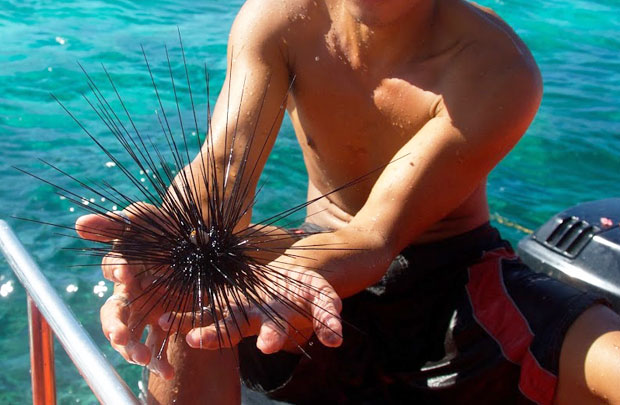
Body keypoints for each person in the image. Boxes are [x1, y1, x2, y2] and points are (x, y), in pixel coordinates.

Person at [76, 0, 620, 403]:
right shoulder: (279, 19)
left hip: (454, 279)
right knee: (186, 272)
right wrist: (164, 236)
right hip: (312, 256)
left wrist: (293, 275)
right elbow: (222, 172)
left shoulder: (497, 67)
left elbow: (375, 236)